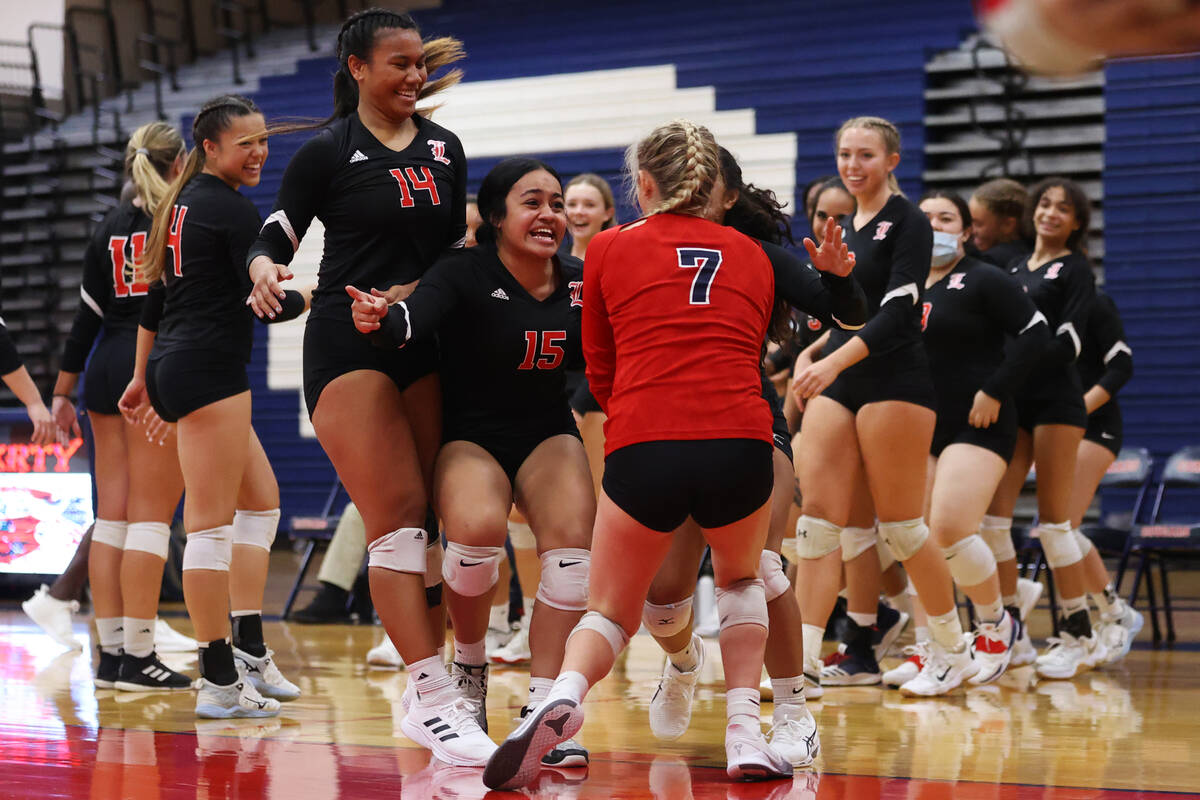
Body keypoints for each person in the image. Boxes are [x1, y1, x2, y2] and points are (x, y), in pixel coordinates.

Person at [482, 119, 855, 790]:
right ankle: (745, 732)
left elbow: (596, 366)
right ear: (714, 186)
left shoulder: (608, 250)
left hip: (645, 440)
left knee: (610, 610)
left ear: (644, 184)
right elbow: (843, 312)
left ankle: (562, 695)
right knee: (743, 581)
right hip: (740, 439)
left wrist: (634, 410)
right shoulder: (754, 251)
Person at [243, 9, 492, 763]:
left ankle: (450, 686)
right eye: (398, 64)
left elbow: (458, 245)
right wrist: (261, 268)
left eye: (420, 64)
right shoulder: (328, 150)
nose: (415, 76)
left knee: (451, 523)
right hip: (349, 341)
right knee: (399, 520)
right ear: (357, 68)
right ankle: (431, 695)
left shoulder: (445, 148)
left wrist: (423, 297)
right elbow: (277, 230)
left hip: (423, 334)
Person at [349, 156, 596, 769]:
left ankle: (543, 710)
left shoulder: (580, 278)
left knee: (572, 553)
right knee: (478, 529)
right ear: (494, 215)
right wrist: (381, 319)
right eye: (532, 202)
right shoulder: (462, 269)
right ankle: (470, 668)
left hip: (546, 429)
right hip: (471, 434)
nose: (549, 215)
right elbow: (411, 319)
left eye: (557, 204)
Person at [637, 146, 865, 766]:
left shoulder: (757, 256)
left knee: (761, 572)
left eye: (705, 182)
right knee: (661, 601)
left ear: (730, 196)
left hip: (747, 422)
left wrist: (840, 274)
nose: (690, 190)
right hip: (666, 430)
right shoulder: (630, 246)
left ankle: (792, 712)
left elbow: (849, 312)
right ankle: (683, 662)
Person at [119, 93, 307, 718]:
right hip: (207, 372)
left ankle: (249, 649)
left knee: (262, 503)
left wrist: (142, 377)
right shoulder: (225, 207)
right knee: (209, 527)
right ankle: (220, 681)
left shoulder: (184, 204)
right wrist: (316, 295)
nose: (259, 151)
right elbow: (261, 279)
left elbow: (155, 301)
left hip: (181, 365)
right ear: (210, 149)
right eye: (245, 143)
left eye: (263, 139)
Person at [790, 116, 978, 696]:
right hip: (844, 376)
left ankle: (952, 649)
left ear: (892, 160)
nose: (852, 165)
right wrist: (813, 347)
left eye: (865, 155)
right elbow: (842, 310)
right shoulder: (845, 224)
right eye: (845, 153)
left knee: (900, 528)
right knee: (819, 527)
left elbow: (897, 312)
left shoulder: (910, 221)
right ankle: (800, 664)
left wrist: (832, 361)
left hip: (895, 378)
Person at [46, 121, 195, 692]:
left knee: (113, 517)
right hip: (150, 362)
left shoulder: (106, 227)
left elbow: (84, 322)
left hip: (103, 364)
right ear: (179, 162)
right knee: (151, 518)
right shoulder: (176, 220)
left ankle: (111, 658)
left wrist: (61, 392)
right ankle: (138, 653)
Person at [914, 190, 1049, 688]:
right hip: (919, 424)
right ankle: (936, 647)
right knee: (917, 538)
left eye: (946, 217)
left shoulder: (986, 278)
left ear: (966, 230)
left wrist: (995, 389)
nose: (935, 225)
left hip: (980, 422)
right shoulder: (902, 284)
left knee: (949, 528)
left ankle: (996, 625)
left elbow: (1036, 333)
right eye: (925, 217)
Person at [983, 177, 1099, 680]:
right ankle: (1013, 629)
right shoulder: (1009, 265)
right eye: (1045, 204)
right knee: (991, 522)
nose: (1051, 213)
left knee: (1054, 525)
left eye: (1063, 209)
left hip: (1054, 401)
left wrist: (1012, 372)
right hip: (1013, 401)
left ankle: (1079, 633)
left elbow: (1067, 342)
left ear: (1077, 222)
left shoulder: (1075, 270)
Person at [1067, 290, 1144, 663]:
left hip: (1095, 427)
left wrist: (1076, 410)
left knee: (1062, 525)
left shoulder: (1094, 301)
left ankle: (1113, 615)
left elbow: (1122, 365)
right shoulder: (1028, 298)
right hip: (1049, 426)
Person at [968, 178, 1030, 268]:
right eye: (969, 222)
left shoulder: (990, 261)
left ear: (1007, 225)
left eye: (978, 224)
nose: (971, 230)